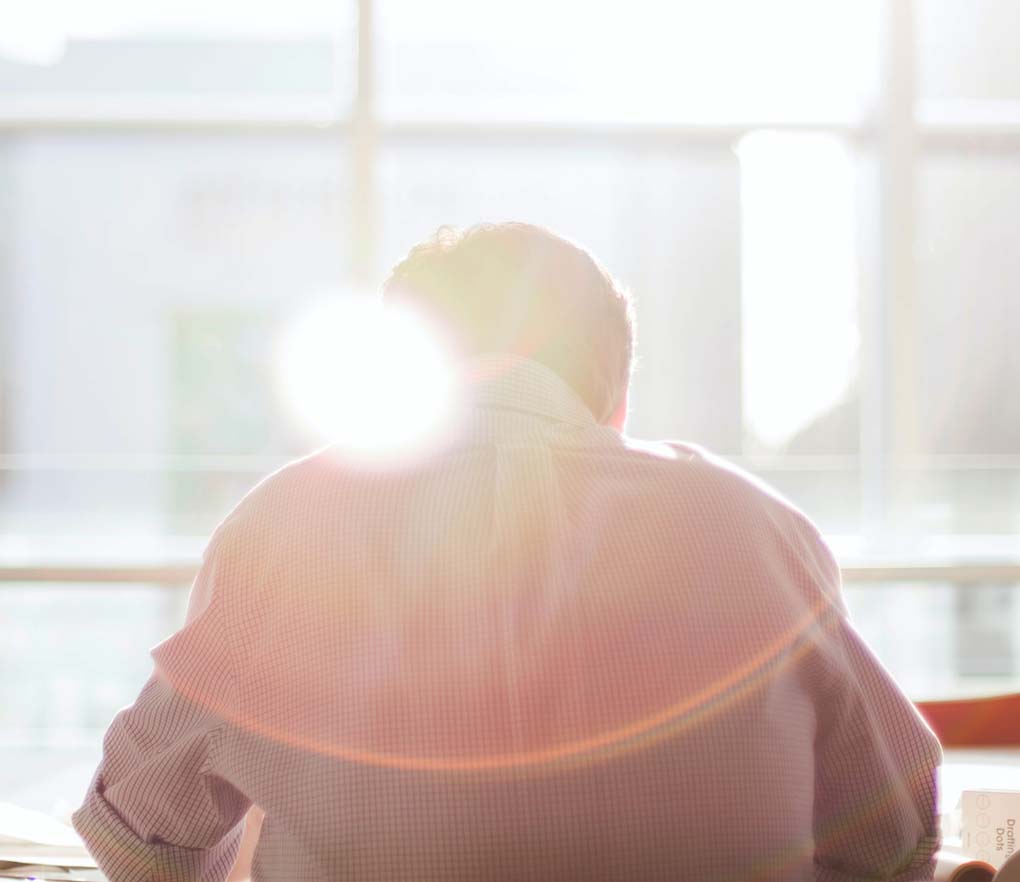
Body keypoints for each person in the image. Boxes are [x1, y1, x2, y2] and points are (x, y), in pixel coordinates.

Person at [73, 222, 941, 881]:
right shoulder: (756, 529)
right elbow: (894, 832)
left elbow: (141, 839)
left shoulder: (287, 524)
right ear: (615, 386)